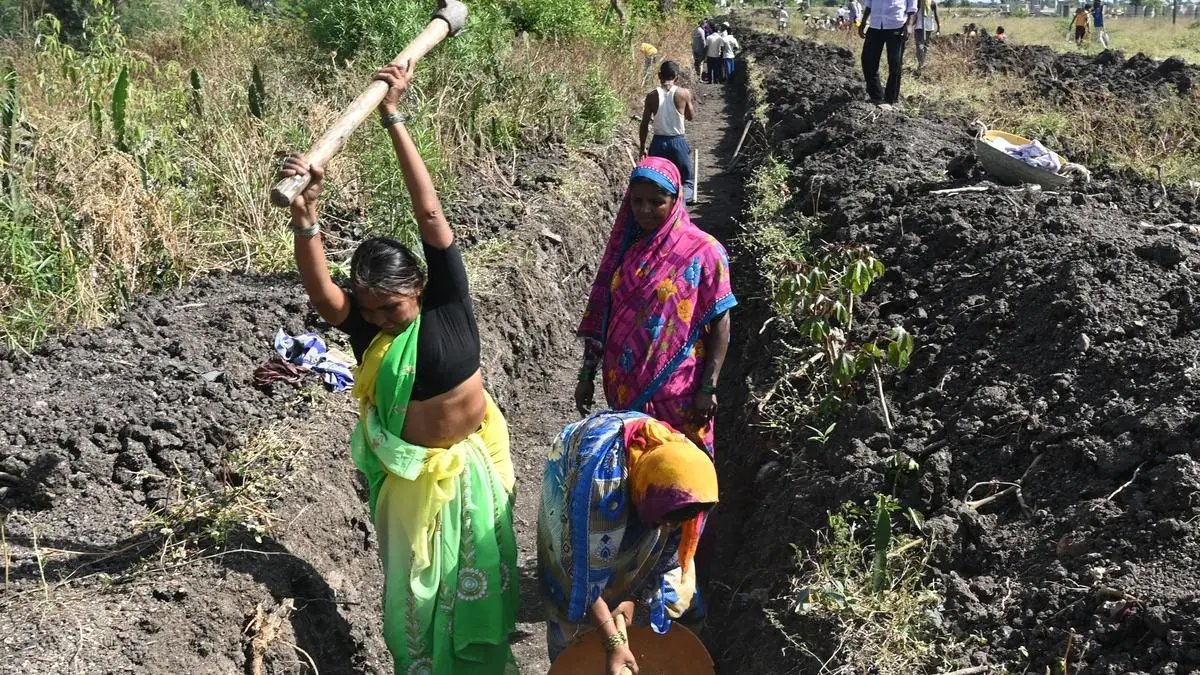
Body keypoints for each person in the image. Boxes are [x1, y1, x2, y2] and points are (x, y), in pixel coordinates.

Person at [277, 63, 518, 674]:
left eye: (392, 306)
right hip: (411, 484)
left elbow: (429, 214)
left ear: (418, 287)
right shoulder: (367, 327)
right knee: (415, 597)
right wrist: (306, 220)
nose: (380, 318)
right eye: (369, 309)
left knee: (481, 585)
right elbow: (322, 294)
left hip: (472, 466)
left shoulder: (447, 301)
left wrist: (394, 118)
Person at [574, 157, 736, 457]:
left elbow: (721, 320)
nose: (644, 210)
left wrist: (708, 388)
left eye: (656, 202)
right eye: (637, 201)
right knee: (635, 467)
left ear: (675, 201)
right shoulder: (626, 251)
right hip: (623, 389)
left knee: (682, 469)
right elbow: (602, 312)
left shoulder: (704, 251)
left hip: (678, 391)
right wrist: (586, 375)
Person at [537, 411, 719, 666]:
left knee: (680, 596)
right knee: (568, 602)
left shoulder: (690, 483)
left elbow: (666, 555)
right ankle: (570, 659)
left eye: (679, 520)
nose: (673, 526)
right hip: (579, 475)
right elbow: (581, 572)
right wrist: (613, 642)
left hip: (650, 491)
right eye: (667, 521)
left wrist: (634, 600)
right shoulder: (602, 488)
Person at [640, 61, 696, 204]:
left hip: (658, 143)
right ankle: (679, 206)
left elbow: (644, 123)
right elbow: (691, 117)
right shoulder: (683, 93)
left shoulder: (651, 96)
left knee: (658, 182)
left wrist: (642, 147)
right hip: (678, 142)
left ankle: (661, 207)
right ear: (676, 77)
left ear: (659, 75)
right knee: (686, 182)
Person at [859, 0, 917, 107]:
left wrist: (909, 25)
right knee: (867, 60)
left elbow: (912, 7)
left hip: (896, 25)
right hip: (875, 25)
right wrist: (863, 23)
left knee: (895, 63)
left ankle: (890, 99)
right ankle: (876, 96)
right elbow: (869, 5)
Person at [913, 0, 939, 75]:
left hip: (929, 28)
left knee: (926, 47)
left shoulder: (933, 3)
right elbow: (914, 15)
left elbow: (936, 16)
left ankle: (922, 66)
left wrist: (939, 28)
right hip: (919, 27)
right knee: (919, 47)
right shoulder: (918, 2)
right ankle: (920, 66)